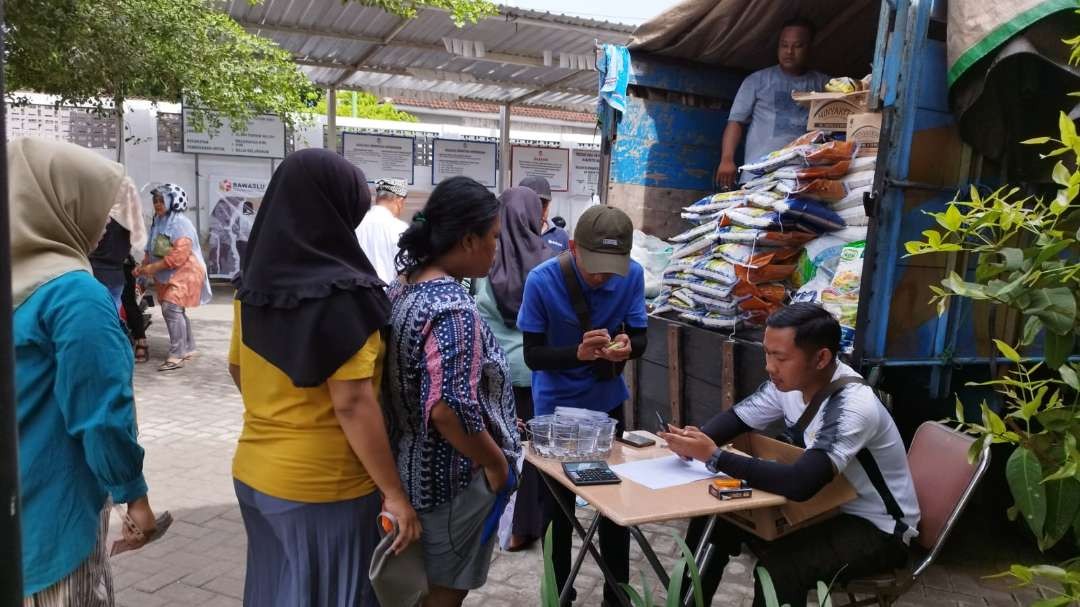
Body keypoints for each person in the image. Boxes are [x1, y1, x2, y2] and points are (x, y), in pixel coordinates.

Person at [228, 148, 420, 607]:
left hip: (254, 473)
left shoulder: (253, 286)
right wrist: (394, 494)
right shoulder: (345, 293)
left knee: (276, 592)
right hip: (323, 487)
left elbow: (237, 369)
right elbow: (352, 404)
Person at [659, 303, 919, 607]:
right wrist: (692, 441)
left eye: (780, 357)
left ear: (821, 358)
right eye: (767, 353)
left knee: (780, 569)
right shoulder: (788, 384)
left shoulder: (852, 406)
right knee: (715, 518)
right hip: (826, 507)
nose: (770, 366)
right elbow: (738, 419)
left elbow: (800, 483)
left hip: (878, 529)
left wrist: (714, 456)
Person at [10, 137, 160, 606]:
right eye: (95, 206)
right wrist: (133, 496)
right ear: (62, 204)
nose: (103, 225)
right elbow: (101, 414)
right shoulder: (75, 296)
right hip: (54, 520)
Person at [384, 176, 521, 607]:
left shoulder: (404, 286)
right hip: (451, 480)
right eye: (494, 237)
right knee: (442, 593)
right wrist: (496, 463)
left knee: (418, 587)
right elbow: (447, 408)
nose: (497, 248)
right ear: (467, 239)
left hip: (410, 467)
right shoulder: (452, 307)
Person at [517, 204, 649, 606]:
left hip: (606, 407)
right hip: (554, 413)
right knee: (556, 510)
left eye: (612, 267)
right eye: (595, 266)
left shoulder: (633, 276)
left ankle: (617, 594)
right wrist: (578, 354)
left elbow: (640, 339)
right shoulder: (541, 281)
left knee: (613, 504)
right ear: (573, 247)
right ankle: (559, 593)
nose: (603, 276)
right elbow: (533, 356)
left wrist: (625, 349)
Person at [470, 186, 555, 552]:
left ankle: (494, 522)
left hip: (493, 371)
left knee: (500, 445)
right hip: (536, 369)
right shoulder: (550, 262)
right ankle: (525, 527)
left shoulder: (484, 263)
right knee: (533, 450)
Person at [715, 17, 829, 189]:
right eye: (784, 45)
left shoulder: (824, 85)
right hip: (758, 175)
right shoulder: (757, 81)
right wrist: (727, 160)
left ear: (810, 48)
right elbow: (736, 122)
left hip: (803, 175)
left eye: (798, 46)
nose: (789, 51)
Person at [134, 184, 212, 372]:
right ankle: (189, 347)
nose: (158, 204)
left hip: (186, 271)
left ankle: (177, 354)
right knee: (176, 310)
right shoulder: (158, 221)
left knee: (170, 307)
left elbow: (179, 255)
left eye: (162, 200)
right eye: (155, 201)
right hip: (167, 273)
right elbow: (151, 249)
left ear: (173, 201)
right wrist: (142, 267)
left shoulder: (180, 223)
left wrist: (152, 267)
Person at [89, 192, 147, 313]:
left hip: (98, 272)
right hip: (117, 274)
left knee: (98, 312)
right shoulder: (129, 223)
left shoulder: (104, 218)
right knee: (114, 311)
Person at [355, 177, 409, 285]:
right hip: (388, 296)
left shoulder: (357, 223)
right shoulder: (400, 228)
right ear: (399, 201)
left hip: (359, 293)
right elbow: (405, 269)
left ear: (377, 199)